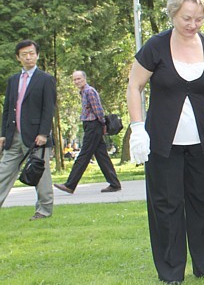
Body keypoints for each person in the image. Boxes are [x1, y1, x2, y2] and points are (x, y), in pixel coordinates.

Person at [126, 0, 204, 285]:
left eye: (199, 19)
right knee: (167, 206)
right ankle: (171, 272)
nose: (192, 24)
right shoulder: (155, 47)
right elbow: (134, 86)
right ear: (173, 13)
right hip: (163, 144)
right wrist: (137, 127)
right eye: (187, 18)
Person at [0, 40, 56, 220]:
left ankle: (44, 210)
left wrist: (43, 133)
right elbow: (7, 109)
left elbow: (49, 109)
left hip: (36, 137)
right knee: (4, 171)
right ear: (18, 58)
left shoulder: (46, 79)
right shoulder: (13, 80)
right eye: (24, 54)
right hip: (13, 135)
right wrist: (2, 134)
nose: (28, 57)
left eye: (31, 53)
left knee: (41, 174)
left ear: (37, 55)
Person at [54, 71, 122, 194]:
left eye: (79, 79)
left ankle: (70, 185)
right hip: (91, 126)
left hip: (94, 125)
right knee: (102, 156)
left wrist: (102, 124)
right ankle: (114, 184)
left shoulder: (89, 91)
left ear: (84, 78)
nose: (77, 81)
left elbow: (98, 109)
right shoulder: (84, 92)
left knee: (84, 155)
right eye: (74, 79)